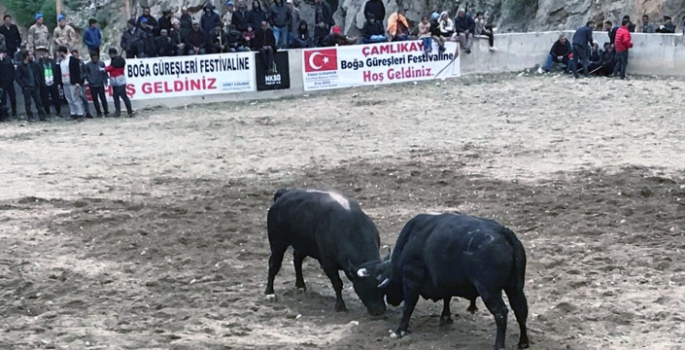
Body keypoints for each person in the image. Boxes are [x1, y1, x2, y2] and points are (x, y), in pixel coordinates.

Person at [15, 51, 47, 121]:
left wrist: (38, 82)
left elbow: (39, 73)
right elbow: (18, 77)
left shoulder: (34, 64)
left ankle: (42, 116)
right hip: (27, 87)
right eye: (30, 55)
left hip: (35, 86)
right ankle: (30, 116)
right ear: (26, 56)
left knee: (39, 102)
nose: (32, 56)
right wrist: (23, 85)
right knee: (28, 102)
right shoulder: (21, 66)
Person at [57, 45, 85, 119]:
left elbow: (77, 72)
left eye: (60, 53)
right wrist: (60, 83)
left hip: (72, 82)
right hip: (65, 82)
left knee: (75, 98)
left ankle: (80, 113)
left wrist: (77, 82)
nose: (59, 55)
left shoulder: (73, 60)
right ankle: (73, 113)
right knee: (69, 99)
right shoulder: (61, 61)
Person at [105, 47, 133, 118]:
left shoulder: (116, 61)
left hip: (118, 82)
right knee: (119, 97)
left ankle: (124, 112)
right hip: (117, 82)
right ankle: (127, 112)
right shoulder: (119, 60)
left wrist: (104, 69)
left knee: (121, 97)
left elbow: (111, 68)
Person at [35, 46, 62, 118]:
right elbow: (38, 74)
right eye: (44, 54)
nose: (45, 55)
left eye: (46, 54)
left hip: (53, 82)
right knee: (45, 99)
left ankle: (58, 111)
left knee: (56, 98)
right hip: (44, 84)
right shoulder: (39, 63)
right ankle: (47, 112)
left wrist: (58, 82)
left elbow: (57, 72)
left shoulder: (52, 62)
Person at [85, 51, 109, 117]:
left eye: (96, 57)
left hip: (100, 84)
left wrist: (105, 80)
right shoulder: (88, 65)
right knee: (95, 99)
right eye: (93, 58)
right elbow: (86, 74)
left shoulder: (101, 63)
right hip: (92, 85)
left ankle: (106, 111)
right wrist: (90, 80)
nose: (95, 59)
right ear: (91, 58)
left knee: (103, 98)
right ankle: (98, 112)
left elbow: (105, 72)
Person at [0, 49, 18, 119]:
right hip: (2, 83)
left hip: (10, 82)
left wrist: (12, 78)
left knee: (13, 98)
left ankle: (14, 112)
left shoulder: (8, 60)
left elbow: (12, 70)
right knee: (3, 99)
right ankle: (4, 114)